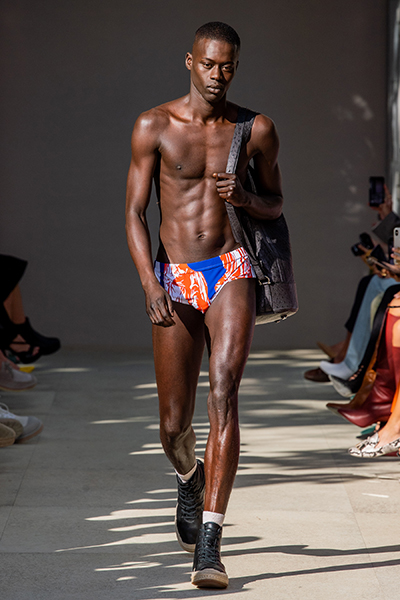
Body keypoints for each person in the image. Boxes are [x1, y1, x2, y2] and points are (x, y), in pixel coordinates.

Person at [125, 22, 284, 589]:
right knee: (173, 426)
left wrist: (246, 197)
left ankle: (211, 544)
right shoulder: (154, 125)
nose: (219, 75)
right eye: (210, 64)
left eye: (228, 66)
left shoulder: (255, 129)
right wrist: (150, 284)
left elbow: (276, 202)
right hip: (174, 276)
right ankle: (190, 476)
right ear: (189, 61)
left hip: (230, 268)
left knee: (224, 392)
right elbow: (134, 212)